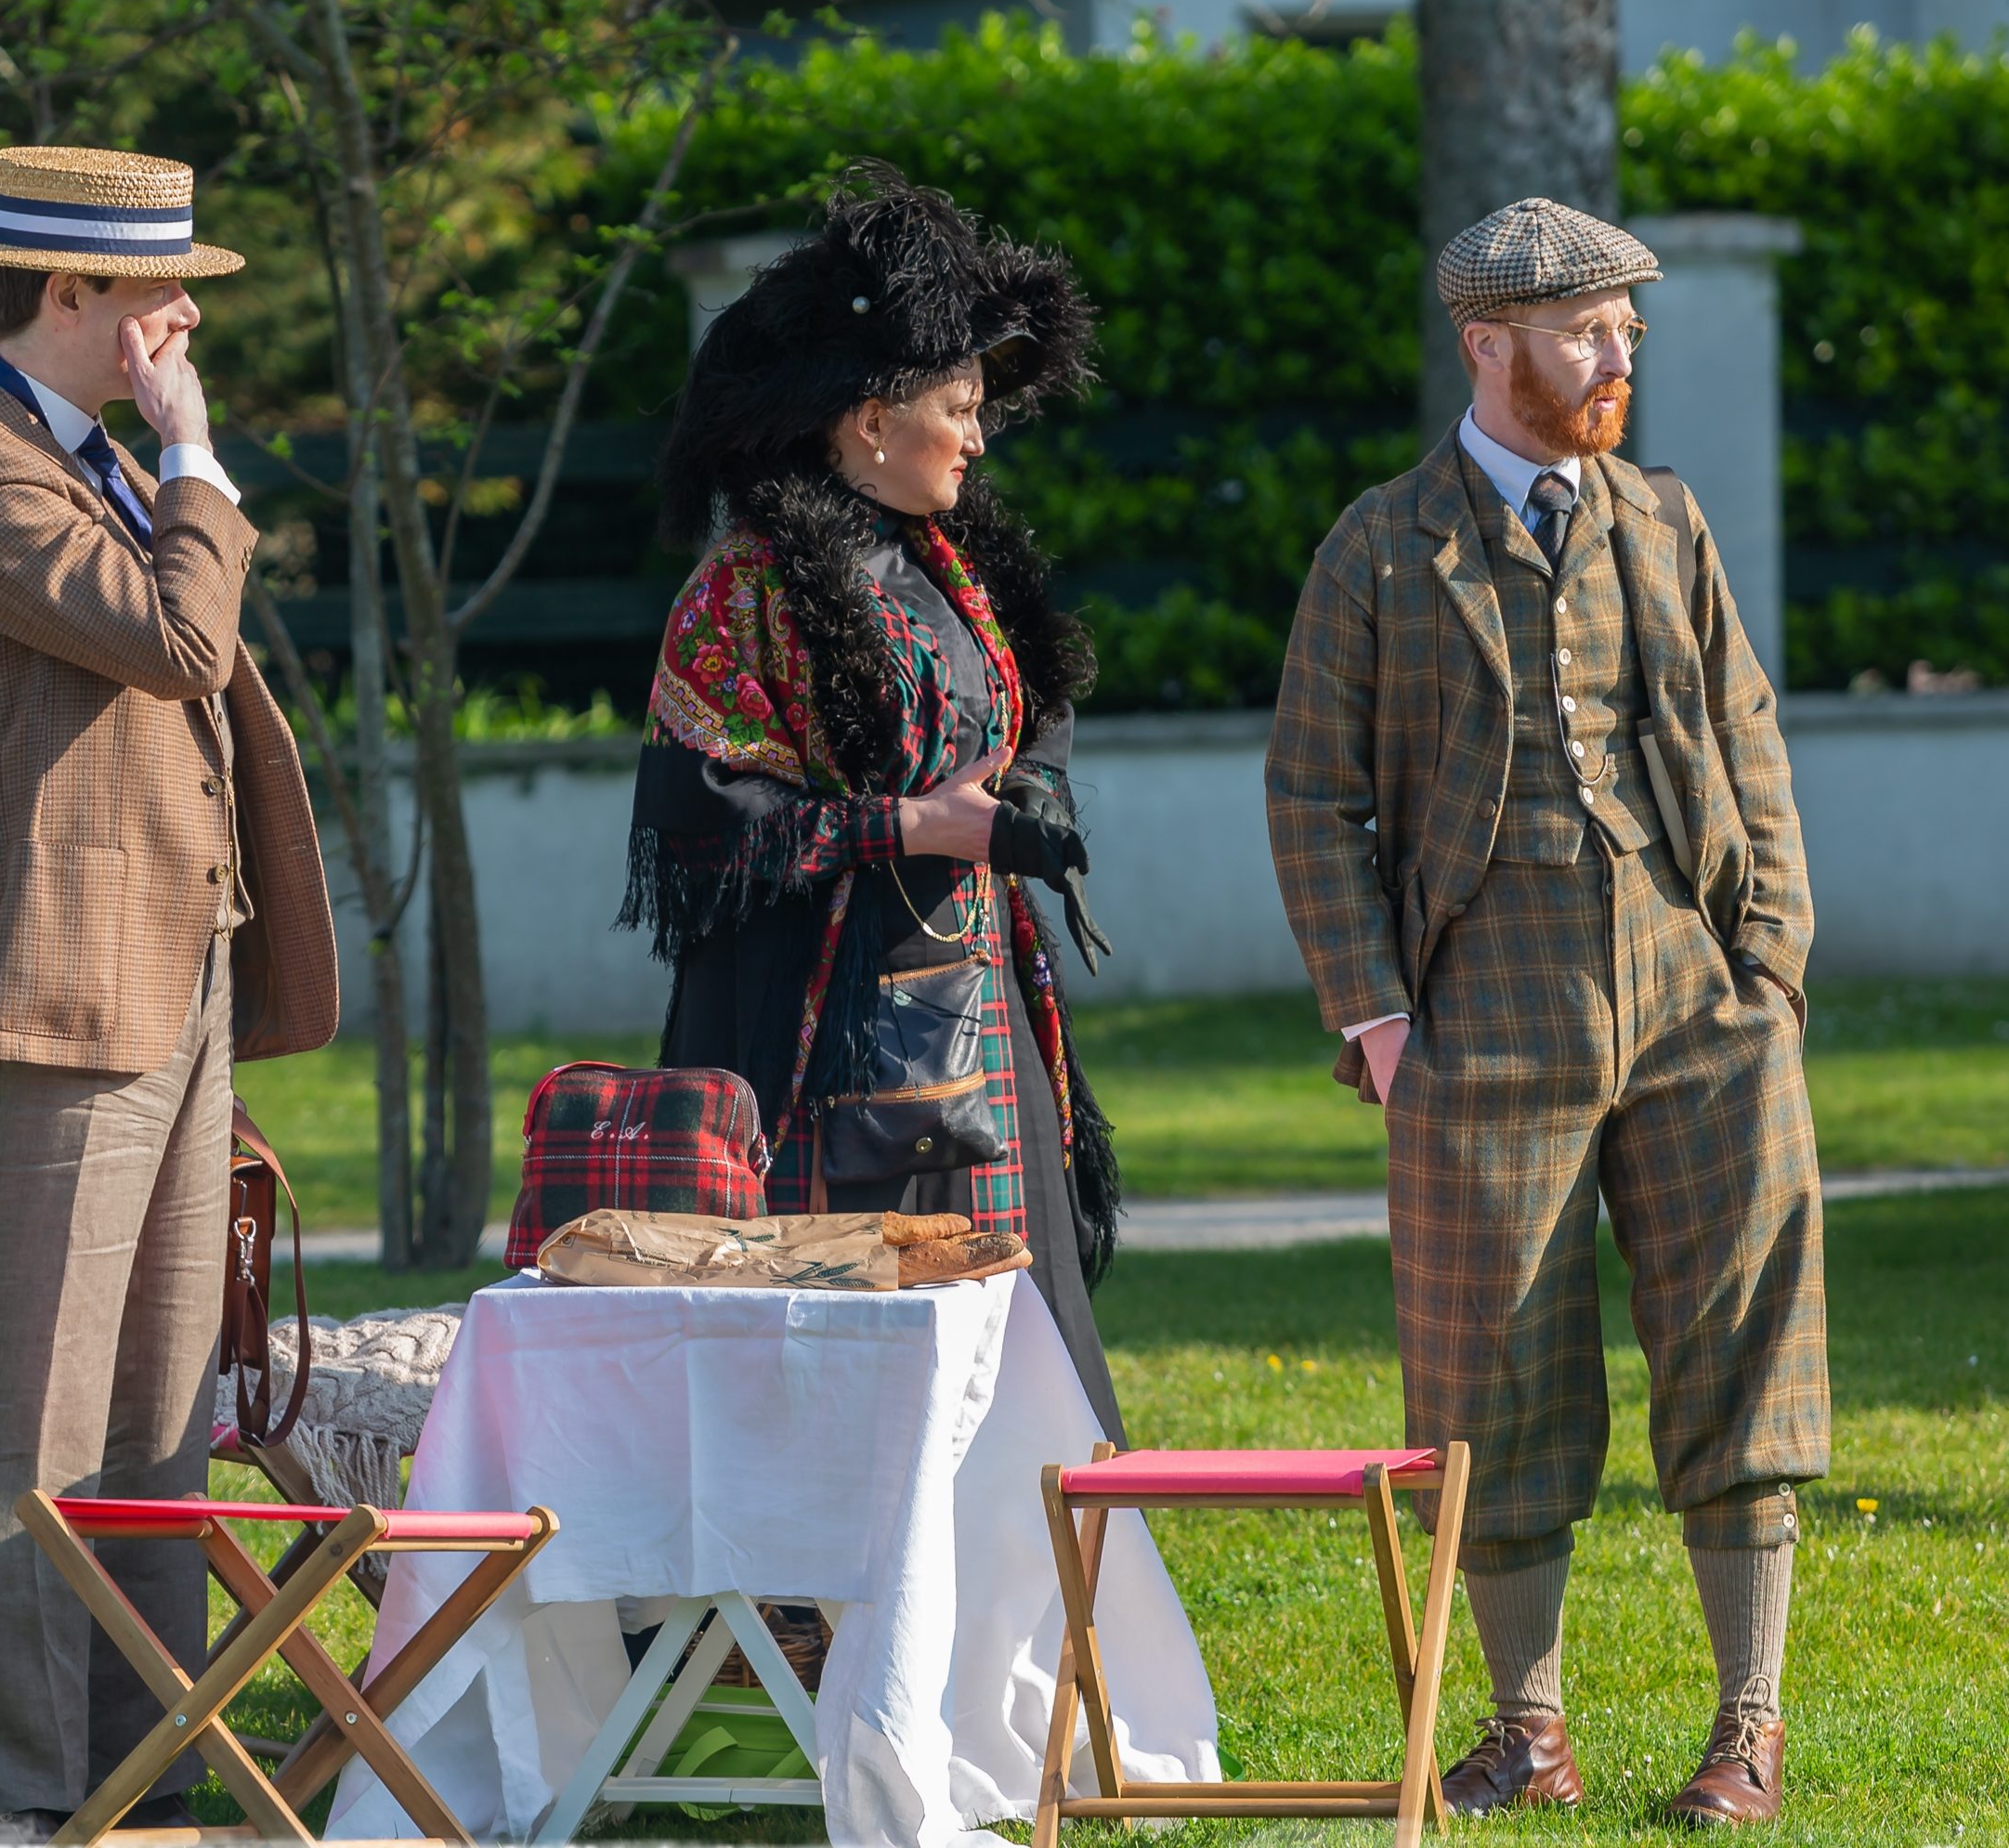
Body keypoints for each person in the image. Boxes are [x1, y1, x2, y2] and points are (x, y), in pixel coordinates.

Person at [1265, 198, 1828, 1828]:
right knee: (1492, 1372)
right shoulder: (1381, 546)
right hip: (1479, 1001)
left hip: (1695, 989)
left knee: (1743, 1347)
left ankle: (1750, 1727)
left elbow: (1750, 737)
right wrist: (1373, 1013)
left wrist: (1772, 964)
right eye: (1591, 330)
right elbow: (1311, 800)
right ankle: (1529, 1729)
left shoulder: (1665, 521)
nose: (1618, 355)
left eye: (1628, 330)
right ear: (1489, 343)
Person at [0, 145, 339, 1839]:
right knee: (34, 1418)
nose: (181, 322)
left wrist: (170, 466)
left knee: (159, 1422)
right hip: (67, 996)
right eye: (162, 296)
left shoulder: (79, 461)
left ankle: (139, 1779)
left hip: (179, 975)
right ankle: (7, 1795)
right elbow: (182, 646)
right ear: (62, 296)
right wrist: (199, 459)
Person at [620, 166, 1127, 1437]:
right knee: (845, 1382)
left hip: (980, 1016)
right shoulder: (744, 593)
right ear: (869, 423)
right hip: (814, 1040)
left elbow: (1032, 704)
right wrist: (902, 827)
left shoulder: (951, 564)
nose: (978, 434)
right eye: (957, 408)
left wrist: (1031, 791)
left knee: (1016, 1354)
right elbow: (696, 828)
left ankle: (1022, 1617)